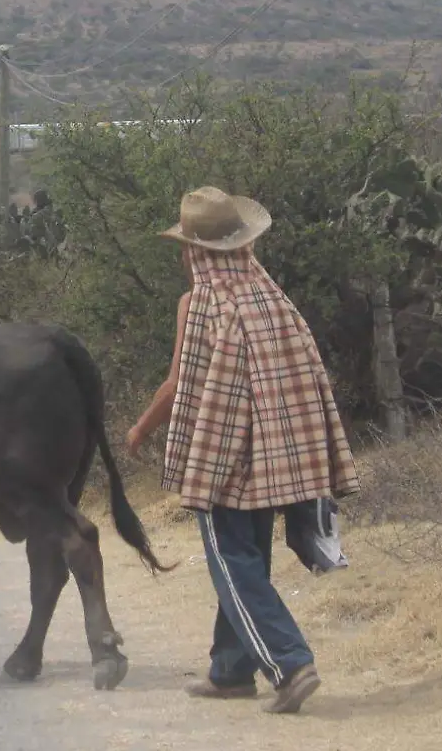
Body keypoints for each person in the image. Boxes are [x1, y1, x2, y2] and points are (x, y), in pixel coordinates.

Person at [126, 186, 360, 716]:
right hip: (281, 455)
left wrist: (141, 428)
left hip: (226, 456)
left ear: (194, 252)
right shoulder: (272, 298)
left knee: (232, 562)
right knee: (249, 559)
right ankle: (230, 672)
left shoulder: (202, 303)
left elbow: (179, 383)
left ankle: (290, 662)